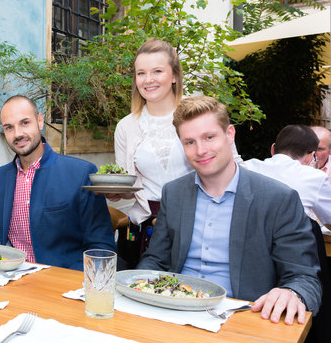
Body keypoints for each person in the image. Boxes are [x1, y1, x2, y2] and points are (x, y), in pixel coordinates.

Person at [138, 95, 321, 324]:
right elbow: (155, 260)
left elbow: (304, 278)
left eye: (209, 137)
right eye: (190, 142)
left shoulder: (278, 199)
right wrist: (138, 285)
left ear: (230, 135)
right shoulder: (173, 193)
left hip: (243, 320)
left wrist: (291, 293)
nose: (201, 150)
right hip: (173, 314)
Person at [0, 95, 115, 271]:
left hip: (61, 285)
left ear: (40, 122)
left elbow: (101, 248)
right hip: (9, 280)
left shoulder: (80, 174)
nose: (18, 134)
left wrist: (73, 284)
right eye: (9, 127)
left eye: (25, 123)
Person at [111, 38, 193, 268]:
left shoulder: (197, 115)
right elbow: (129, 186)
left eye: (157, 71)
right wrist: (115, 192)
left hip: (194, 222)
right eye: (141, 73)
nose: (148, 80)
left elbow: (229, 167)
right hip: (143, 228)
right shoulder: (126, 126)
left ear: (175, 75)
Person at [244, 125, 331, 226]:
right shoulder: (315, 177)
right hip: (288, 239)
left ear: (273, 149)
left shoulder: (246, 167)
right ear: (311, 156)